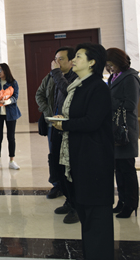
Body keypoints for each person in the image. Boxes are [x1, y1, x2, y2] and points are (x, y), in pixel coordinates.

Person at [51, 43, 114, 260]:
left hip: (95, 160)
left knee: (97, 218)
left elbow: (92, 121)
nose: (73, 60)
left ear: (92, 62)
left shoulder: (98, 87)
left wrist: (65, 125)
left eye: (78, 56)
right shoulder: (78, 85)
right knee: (87, 216)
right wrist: (63, 120)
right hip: (81, 156)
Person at [35, 46, 79, 224]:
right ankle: (67, 198)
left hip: (70, 128)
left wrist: (56, 73)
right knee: (57, 164)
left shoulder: (75, 78)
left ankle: (76, 206)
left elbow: (68, 92)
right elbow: (41, 95)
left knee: (70, 168)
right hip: (55, 125)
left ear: (71, 61)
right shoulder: (51, 76)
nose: (56, 62)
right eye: (55, 58)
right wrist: (49, 114)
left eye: (61, 59)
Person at [106, 48, 140, 218]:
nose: (109, 68)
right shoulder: (113, 77)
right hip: (115, 128)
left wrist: (107, 100)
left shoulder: (130, 78)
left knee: (127, 169)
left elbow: (130, 104)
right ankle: (121, 201)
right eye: (107, 65)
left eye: (111, 64)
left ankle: (131, 204)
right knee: (118, 169)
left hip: (125, 129)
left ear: (119, 61)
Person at [0, 63, 21, 170]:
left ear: (6, 70)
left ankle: (12, 161)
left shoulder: (13, 83)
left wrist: (6, 101)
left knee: (11, 137)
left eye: (0, 70)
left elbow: (15, 97)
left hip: (11, 113)